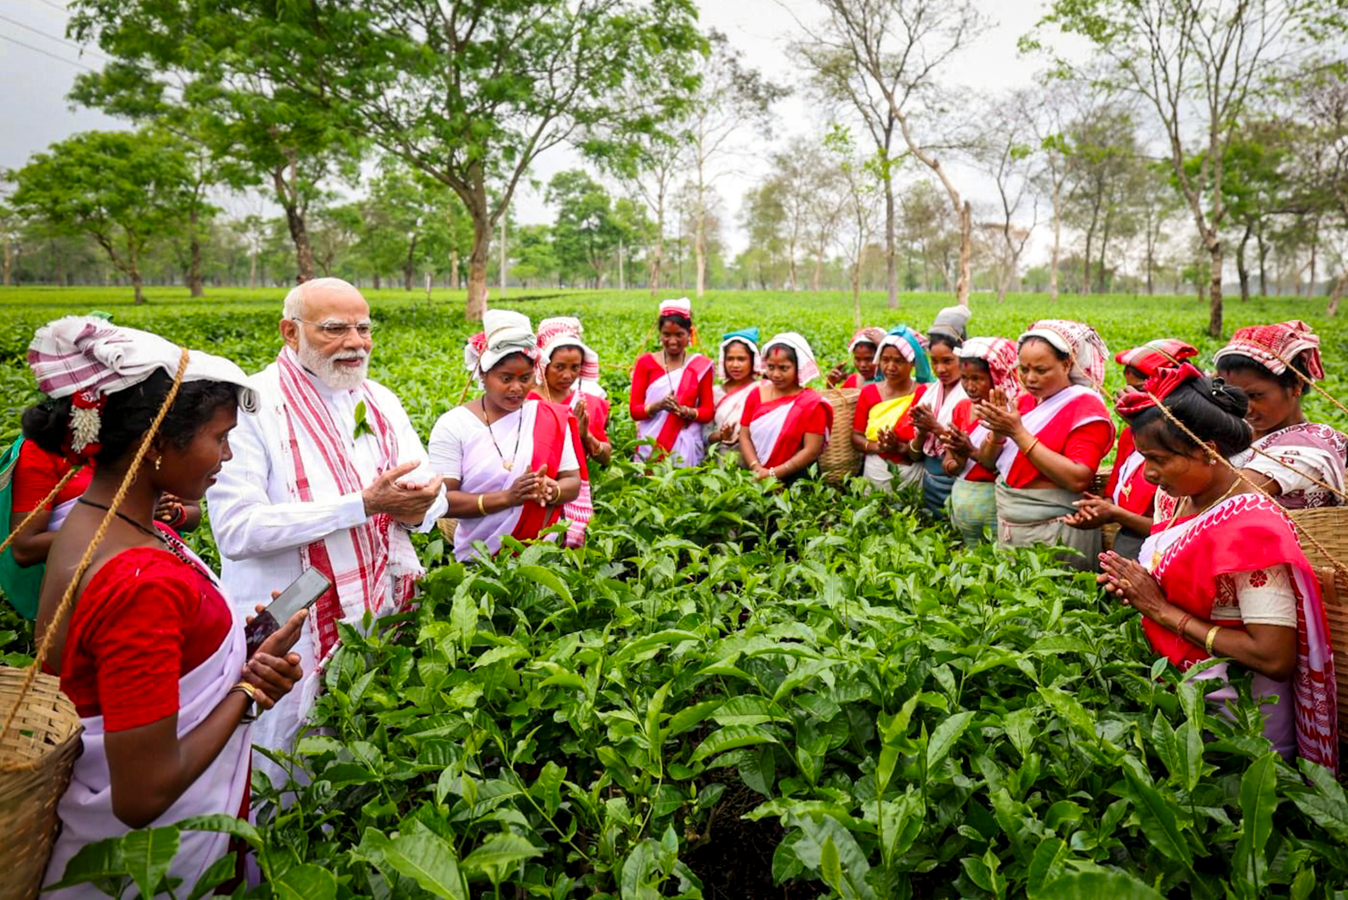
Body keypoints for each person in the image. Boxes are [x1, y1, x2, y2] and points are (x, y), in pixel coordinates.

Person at [21, 316, 305, 896]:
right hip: (153, 865)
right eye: (220, 437)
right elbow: (144, 793)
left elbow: (146, 664)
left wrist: (232, 651)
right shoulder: (140, 580)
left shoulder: (98, 521)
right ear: (156, 443)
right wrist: (247, 693)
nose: (226, 456)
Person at [206, 277, 447, 787]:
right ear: (289, 332)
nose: (355, 342)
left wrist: (416, 506)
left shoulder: (379, 399)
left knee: (360, 758)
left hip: (376, 609)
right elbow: (237, 528)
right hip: (290, 619)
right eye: (335, 329)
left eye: (363, 328)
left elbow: (432, 493)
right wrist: (362, 505)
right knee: (281, 762)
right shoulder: (251, 404)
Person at [1101, 363, 1337, 770]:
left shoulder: (1251, 528)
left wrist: (1161, 610)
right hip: (1193, 703)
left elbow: (1273, 657)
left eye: (1157, 459)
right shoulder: (1181, 500)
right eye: (1144, 458)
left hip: (1244, 729)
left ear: (1207, 449)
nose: (1149, 473)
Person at [429, 310, 583, 561]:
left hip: (541, 556)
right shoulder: (453, 425)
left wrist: (551, 490)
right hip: (479, 559)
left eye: (525, 378)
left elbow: (572, 483)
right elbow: (443, 501)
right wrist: (506, 498)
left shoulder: (550, 417)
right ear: (483, 375)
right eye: (506, 378)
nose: (517, 388)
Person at [970, 319, 1115, 569]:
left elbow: (1078, 478)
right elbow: (988, 461)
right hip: (1012, 524)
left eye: (1041, 370)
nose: (1030, 378)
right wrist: (997, 430)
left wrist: (1017, 432)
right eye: (1024, 370)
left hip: (1056, 530)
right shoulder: (1025, 403)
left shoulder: (1086, 408)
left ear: (1066, 364)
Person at [1064, 339, 1199, 560]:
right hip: (1125, 546)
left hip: (1166, 553)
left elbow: (1176, 527)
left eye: (1139, 389)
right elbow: (1113, 494)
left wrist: (1115, 514)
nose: (1128, 396)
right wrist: (1098, 511)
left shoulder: (1190, 446)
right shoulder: (1130, 435)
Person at [1213, 320, 1348, 511]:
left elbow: (1229, 495)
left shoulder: (1309, 446)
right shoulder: (1243, 430)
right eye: (1235, 396)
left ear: (1296, 385)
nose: (1245, 408)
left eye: (1255, 396)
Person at [528, 316, 610, 546]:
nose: (568, 375)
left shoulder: (585, 402)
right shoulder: (526, 401)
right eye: (559, 367)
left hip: (572, 492)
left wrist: (586, 436)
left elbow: (605, 456)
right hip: (533, 493)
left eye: (575, 368)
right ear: (544, 364)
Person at [943, 337, 1021, 543]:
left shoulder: (1011, 414)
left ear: (996, 378)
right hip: (962, 498)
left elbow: (1001, 465)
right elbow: (950, 463)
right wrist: (955, 458)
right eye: (964, 378)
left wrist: (969, 450)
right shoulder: (961, 408)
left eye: (977, 378)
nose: (970, 386)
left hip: (994, 502)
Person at [630, 298, 714, 466]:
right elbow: (635, 410)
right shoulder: (646, 363)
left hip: (685, 445)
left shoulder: (700, 366)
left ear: (690, 334)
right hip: (651, 444)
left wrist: (686, 412)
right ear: (660, 334)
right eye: (666, 335)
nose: (673, 341)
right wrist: (658, 405)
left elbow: (707, 411)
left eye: (679, 335)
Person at [738, 333, 832, 483]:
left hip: (797, 479)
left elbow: (811, 450)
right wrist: (757, 469)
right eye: (770, 367)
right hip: (756, 475)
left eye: (783, 368)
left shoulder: (811, 404)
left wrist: (773, 474)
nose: (775, 374)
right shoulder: (756, 395)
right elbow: (744, 436)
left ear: (797, 368)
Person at [852, 326, 932, 491]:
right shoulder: (869, 392)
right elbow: (856, 437)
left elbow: (923, 440)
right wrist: (877, 447)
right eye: (885, 360)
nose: (890, 367)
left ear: (912, 363)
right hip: (876, 467)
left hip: (910, 471)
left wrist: (900, 446)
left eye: (899, 361)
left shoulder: (922, 393)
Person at [911, 306, 972, 516]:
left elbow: (969, 449)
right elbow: (914, 451)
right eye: (934, 362)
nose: (940, 369)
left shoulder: (970, 395)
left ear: (962, 356)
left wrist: (934, 427)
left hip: (957, 479)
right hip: (930, 480)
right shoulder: (929, 392)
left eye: (947, 361)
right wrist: (920, 432)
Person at [706, 327, 762, 459]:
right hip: (719, 461)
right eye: (730, 359)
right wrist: (721, 436)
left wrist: (743, 434)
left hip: (753, 461)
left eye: (741, 359)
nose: (735, 365)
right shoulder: (714, 393)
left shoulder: (762, 390)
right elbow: (704, 434)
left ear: (752, 360)